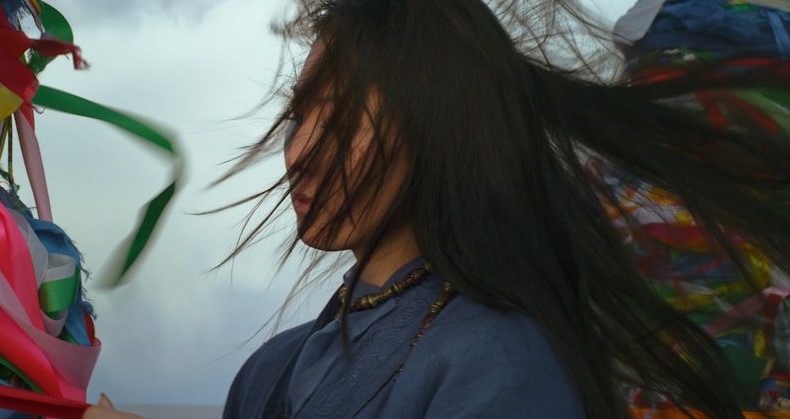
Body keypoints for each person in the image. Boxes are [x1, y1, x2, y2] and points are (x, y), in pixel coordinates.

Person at [87, 0, 790, 417]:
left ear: (436, 128)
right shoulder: (273, 368)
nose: (299, 150)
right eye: (298, 117)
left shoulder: (496, 365)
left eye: (339, 122)